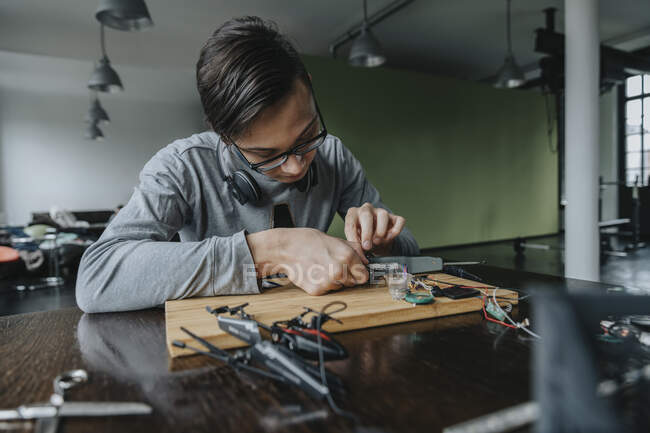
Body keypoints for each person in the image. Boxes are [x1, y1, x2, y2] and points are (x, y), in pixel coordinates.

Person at [75, 16, 419, 313]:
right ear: (224, 136)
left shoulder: (333, 155)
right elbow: (97, 278)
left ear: (310, 90)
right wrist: (268, 251)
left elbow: (411, 253)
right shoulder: (181, 167)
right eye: (267, 155)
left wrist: (383, 243)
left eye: (307, 134)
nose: (297, 167)